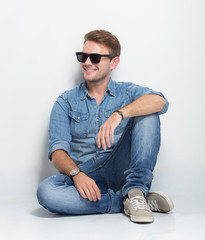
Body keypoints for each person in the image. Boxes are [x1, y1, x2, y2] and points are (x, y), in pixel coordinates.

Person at [37, 30, 174, 223]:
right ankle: (129, 200)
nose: (87, 62)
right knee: (46, 192)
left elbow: (159, 101)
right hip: (87, 176)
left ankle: (135, 188)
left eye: (95, 57)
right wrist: (77, 175)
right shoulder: (65, 101)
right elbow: (58, 151)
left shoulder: (126, 93)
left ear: (114, 62)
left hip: (121, 168)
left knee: (148, 111)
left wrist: (119, 114)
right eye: (83, 56)